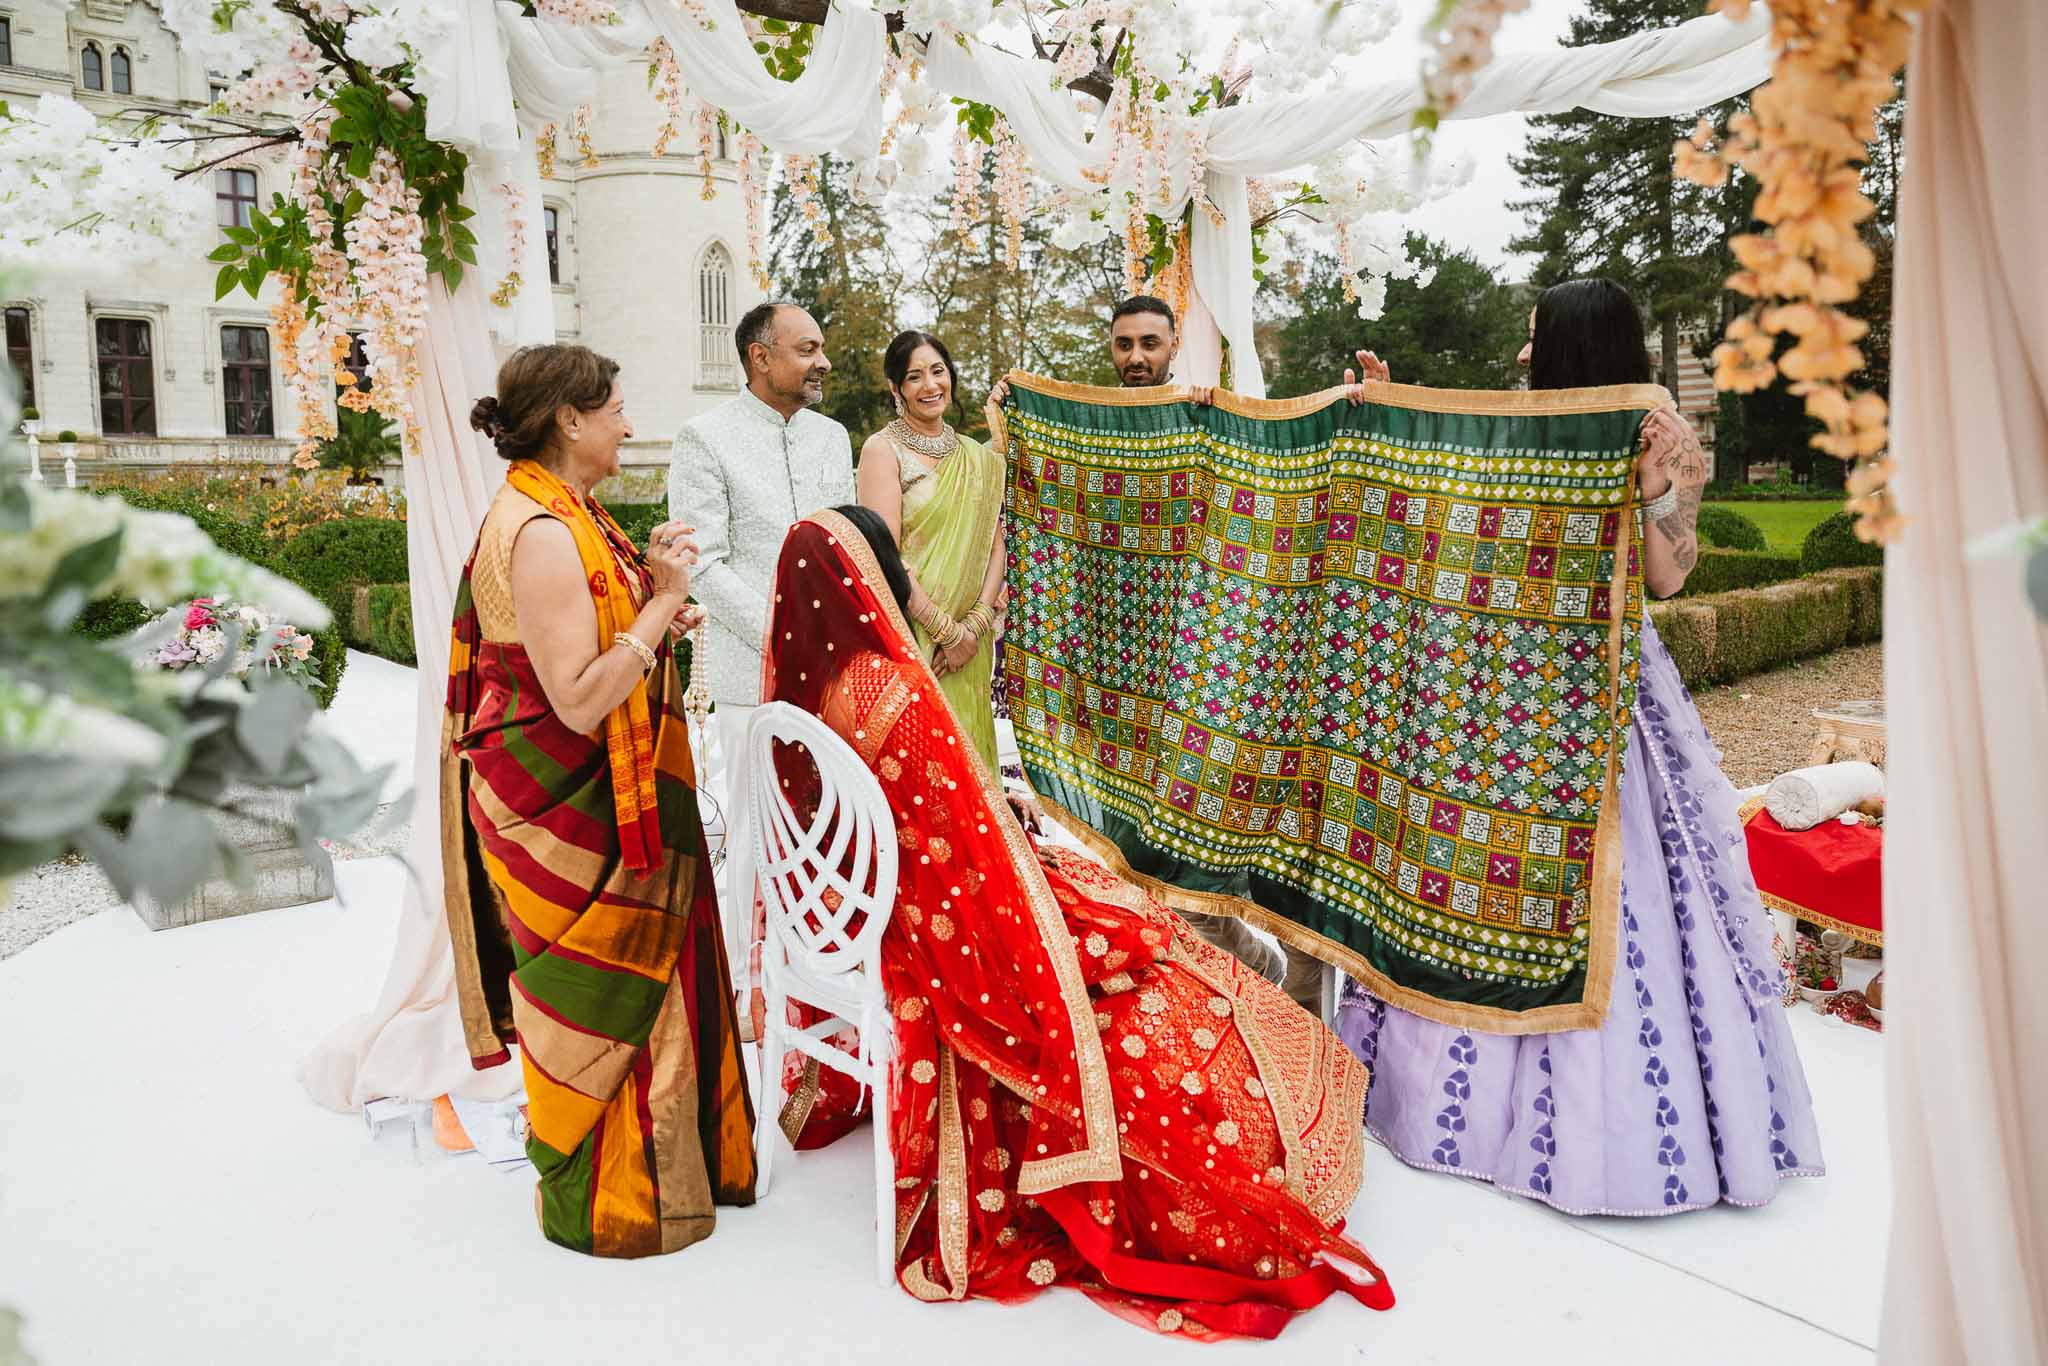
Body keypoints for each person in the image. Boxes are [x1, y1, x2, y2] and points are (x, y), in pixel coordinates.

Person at [758, 504, 1393, 1338]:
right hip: (932, 916)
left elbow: (913, 812)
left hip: (861, 907)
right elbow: (961, 832)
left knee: (1108, 902)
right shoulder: (892, 688)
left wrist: (1000, 812)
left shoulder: (812, 688)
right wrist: (1019, 836)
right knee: (1137, 945)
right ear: (875, 575)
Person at [1333, 278, 1824, 1215]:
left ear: (1574, 342)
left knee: (1611, 889)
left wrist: (1653, 488)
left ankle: (1611, 1127)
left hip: (1601, 689)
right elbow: (1446, 511)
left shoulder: (1659, 433)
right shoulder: (1525, 423)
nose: (1523, 353)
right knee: (1488, 877)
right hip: (1505, 687)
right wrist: (1391, 408)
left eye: (1536, 337)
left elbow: (1670, 578)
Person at [446, 344, 757, 1257]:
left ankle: (671, 1178)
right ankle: (615, 1203)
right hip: (563, 808)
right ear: (570, 419)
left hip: (608, 791)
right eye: (616, 409)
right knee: (600, 997)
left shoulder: (568, 508)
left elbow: (598, 639)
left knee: (647, 988)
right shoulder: (540, 531)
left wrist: (654, 608)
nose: (628, 424)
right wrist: (661, 606)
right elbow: (579, 701)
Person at [668, 300, 857, 820]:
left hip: (834, 672)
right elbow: (701, 562)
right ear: (761, 357)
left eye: (821, 349)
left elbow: (846, 546)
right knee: (759, 830)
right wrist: (784, 634)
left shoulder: (832, 437)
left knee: (834, 823)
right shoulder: (705, 437)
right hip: (751, 677)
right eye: (808, 350)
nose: (824, 362)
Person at [856, 330, 1007, 775]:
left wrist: (973, 627)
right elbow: (883, 556)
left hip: (972, 642)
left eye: (938, 371)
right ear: (896, 388)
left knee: (971, 766)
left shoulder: (978, 458)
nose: (930, 385)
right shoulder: (883, 451)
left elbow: (996, 543)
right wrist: (945, 632)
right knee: (924, 768)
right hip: (913, 636)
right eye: (914, 376)